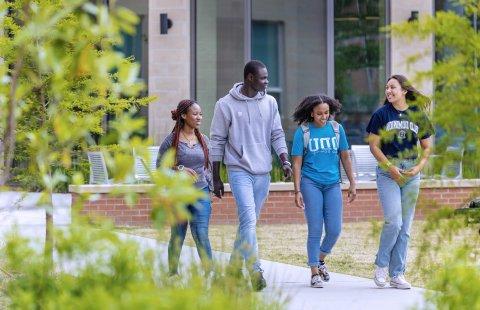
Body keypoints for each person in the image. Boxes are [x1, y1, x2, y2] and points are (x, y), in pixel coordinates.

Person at [209, 60, 292, 291]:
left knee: (249, 223)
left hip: (262, 171)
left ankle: (233, 269)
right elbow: (217, 141)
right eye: (263, 78)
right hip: (238, 170)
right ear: (249, 78)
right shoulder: (224, 105)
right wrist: (216, 177)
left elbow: (277, 133)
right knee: (248, 220)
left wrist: (284, 159)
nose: (267, 82)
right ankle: (255, 271)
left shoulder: (270, 102)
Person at [367, 75, 434, 289]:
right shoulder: (381, 114)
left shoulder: (417, 114)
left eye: (392, 87)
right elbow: (374, 146)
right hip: (388, 173)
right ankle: (381, 266)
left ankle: (397, 274)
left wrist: (419, 167)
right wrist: (390, 168)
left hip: (411, 173)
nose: (388, 91)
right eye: (387, 87)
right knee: (393, 222)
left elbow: (426, 147)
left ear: (404, 90)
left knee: (405, 227)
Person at [291, 94, 357, 288]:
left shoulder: (337, 129)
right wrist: (297, 190)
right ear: (311, 113)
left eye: (327, 113)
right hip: (310, 183)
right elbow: (296, 163)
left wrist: (352, 182)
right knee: (315, 229)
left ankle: (320, 259)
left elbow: (345, 157)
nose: (324, 117)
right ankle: (313, 272)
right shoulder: (303, 131)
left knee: (335, 229)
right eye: (319, 113)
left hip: (332, 184)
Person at [159, 99, 213, 276]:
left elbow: (209, 166)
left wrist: (210, 186)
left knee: (201, 233)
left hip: (201, 193)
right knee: (178, 235)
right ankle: (173, 273)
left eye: (200, 114)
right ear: (183, 116)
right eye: (195, 114)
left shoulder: (203, 140)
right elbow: (160, 167)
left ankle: (209, 273)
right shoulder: (171, 141)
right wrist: (179, 170)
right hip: (179, 195)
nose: (199, 117)